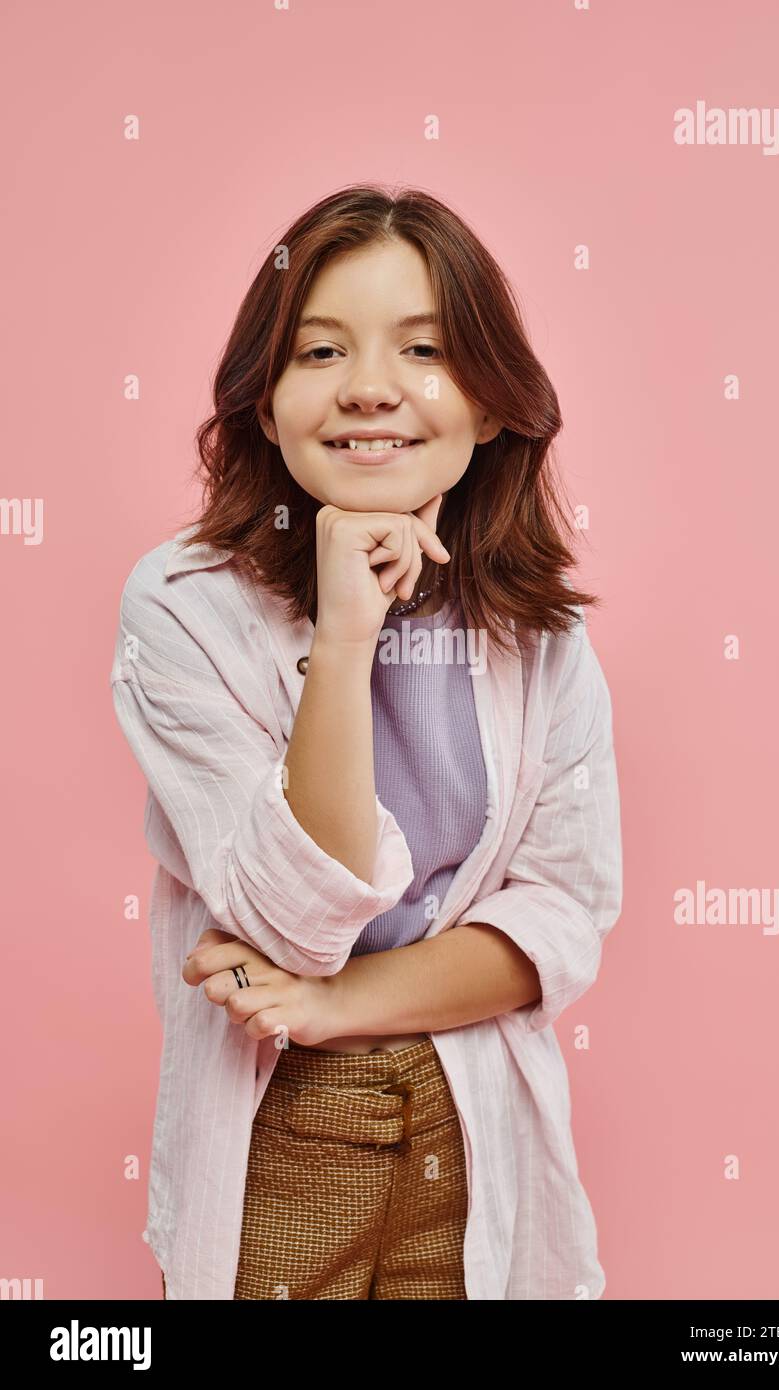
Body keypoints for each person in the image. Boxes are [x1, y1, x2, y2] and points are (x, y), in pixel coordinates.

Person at [110, 183, 623, 1301]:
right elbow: (294, 907)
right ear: (265, 401)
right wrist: (345, 637)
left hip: (473, 1117)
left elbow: (558, 920)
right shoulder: (182, 607)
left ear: (489, 403)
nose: (371, 389)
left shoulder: (540, 633)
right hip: (277, 1129)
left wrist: (338, 1001)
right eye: (321, 350)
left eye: (425, 349)